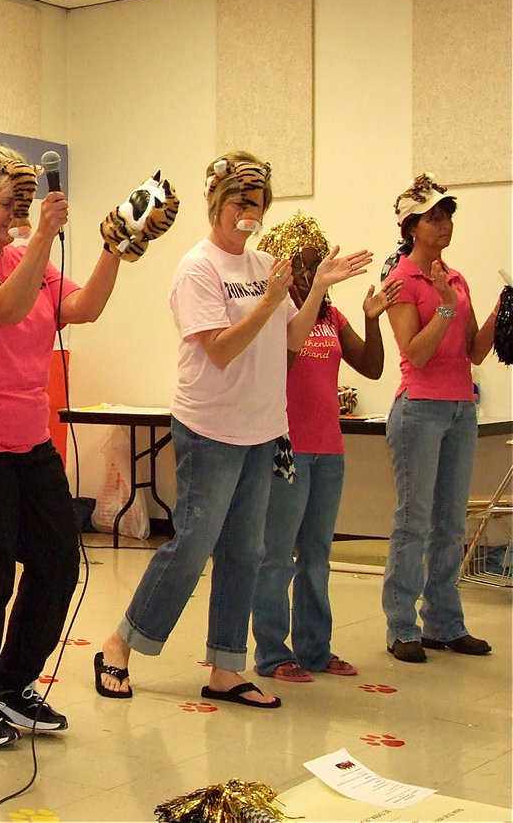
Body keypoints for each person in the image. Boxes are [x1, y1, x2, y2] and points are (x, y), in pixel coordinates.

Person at [95, 151, 370, 708]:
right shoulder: (198, 268)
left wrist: (313, 287)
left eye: (259, 204)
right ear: (217, 204)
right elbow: (219, 350)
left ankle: (224, 667)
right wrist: (269, 300)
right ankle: (120, 643)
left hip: (262, 429)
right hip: (210, 427)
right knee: (194, 544)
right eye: (241, 202)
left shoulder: (263, 263)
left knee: (246, 551)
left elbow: (291, 342)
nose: (250, 213)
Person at [0, 145, 148, 749]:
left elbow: (83, 308)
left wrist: (116, 246)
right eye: (6, 206)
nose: (16, 216)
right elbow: (4, 307)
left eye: (25, 205)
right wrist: (43, 234)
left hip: (27, 442)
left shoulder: (30, 257)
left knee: (58, 562)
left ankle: (11, 684)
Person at [251, 211, 400, 682]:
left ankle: (316, 648)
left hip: (329, 451)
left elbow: (372, 368)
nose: (307, 276)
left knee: (316, 555)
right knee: (277, 556)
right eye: (300, 267)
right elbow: (280, 368)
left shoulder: (332, 317)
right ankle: (273, 653)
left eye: (314, 267)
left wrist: (371, 320)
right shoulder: (277, 315)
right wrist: (306, 302)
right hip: (286, 451)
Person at [381, 174, 499, 663]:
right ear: (411, 227)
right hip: (419, 410)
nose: (445, 223)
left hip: (459, 407)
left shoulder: (456, 278)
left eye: (448, 214)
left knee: (451, 525)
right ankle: (402, 626)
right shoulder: (400, 282)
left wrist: (500, 310)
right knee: (414, 523)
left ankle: (445, 623)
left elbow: (473, 351)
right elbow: (417, 353)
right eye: (434, 216)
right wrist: (446, 311)